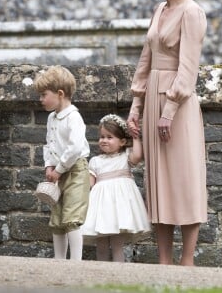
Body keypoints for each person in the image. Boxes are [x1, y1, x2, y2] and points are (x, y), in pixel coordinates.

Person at [127, 0, 207, 266]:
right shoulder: (159, 9)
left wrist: (169, 111)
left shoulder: (192, 12)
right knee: (158, 180)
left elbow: (188, 67)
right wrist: (136, 105)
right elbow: (144, 61)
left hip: (178, 105)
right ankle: (164, 262)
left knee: (185, 180)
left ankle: (187, 261)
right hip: (152, 99)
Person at [33, 65, 90, 260]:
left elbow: (74, 148)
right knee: (57, 219)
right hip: (59, 171)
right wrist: (49, 165)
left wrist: (59, 168)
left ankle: (75, 262)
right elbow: (49, 144)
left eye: (43, 94)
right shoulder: (52, 117)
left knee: (72, 217)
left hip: (75, 171)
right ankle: (59, 262)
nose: (40, 99)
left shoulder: (74, 117)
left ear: (60, 93)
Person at [82, 114, 151, 262]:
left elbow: (138, 155)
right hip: (101, 207)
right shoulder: (95, 161)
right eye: (102, 137)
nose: (104, 140)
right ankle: (101, 274)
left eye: (109, 137)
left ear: (122, 141)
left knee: (117, 244)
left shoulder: (125, 157)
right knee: (101, 244)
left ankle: (118, 274)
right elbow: (90, 184)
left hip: (120, 207)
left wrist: (136, 136)